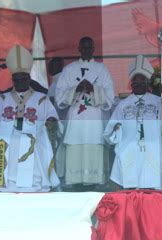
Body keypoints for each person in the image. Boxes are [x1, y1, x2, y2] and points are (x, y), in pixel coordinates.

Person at [0, 45, 59, 192]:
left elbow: (53, 116)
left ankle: (36, 184)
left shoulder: (42, 99)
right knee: (4, 142)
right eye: (16, 79)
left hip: (35, 135)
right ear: (12, 80)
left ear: (29, 79)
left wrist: (51, 121)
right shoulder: (2, 99)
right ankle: (4, 184)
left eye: (23, 79)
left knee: (31, 142)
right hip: (6, 136)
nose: (20, 82)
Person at [104, 55, 162, 190]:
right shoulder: (123, 105)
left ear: (147, 83)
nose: (138, 84)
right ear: (131, 83)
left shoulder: (158, 101)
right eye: (135, 81)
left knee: (153, 184)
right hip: (130, 148)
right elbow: (109, 131)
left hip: (153, 148)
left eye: (142, 81)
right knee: (132, 186)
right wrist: (116, 131)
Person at [55, 37, 114, 190]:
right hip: (75, 120)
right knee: (75, 153)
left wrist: (94, 89)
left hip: (94, 120)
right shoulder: (69, 70)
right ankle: (76, 185)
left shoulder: (102, 69)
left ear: (93, 49)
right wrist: (77, 88)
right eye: (84, 47)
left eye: (89, 47)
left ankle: (93, 184)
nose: (87, 50)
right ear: (79, 48)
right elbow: (59, 97)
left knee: (93, 152)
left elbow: (110, 97)